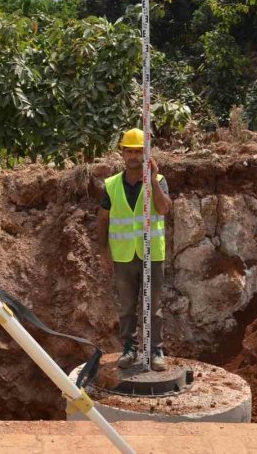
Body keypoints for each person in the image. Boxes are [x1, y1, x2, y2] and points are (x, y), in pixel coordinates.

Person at [97, 128, 172, 371]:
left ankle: (155, 350)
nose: (133, 156)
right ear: (122, 153)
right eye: (129, 151)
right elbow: (103, 218)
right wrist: (103, 251)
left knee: (154, 304)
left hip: (153, 255)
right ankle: (129, 348)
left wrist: (152, 180)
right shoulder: (111, 185)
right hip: (123, 255)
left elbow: (163, 209)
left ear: (146, 154)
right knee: (127, 306)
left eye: (138, 151)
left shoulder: (159, 182)